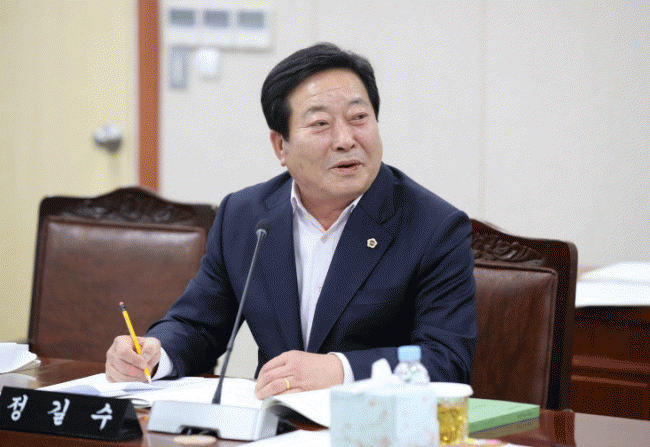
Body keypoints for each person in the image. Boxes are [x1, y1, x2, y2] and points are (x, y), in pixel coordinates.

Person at [106, 43, 476, 399]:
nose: (345, 139)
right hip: (270, 423)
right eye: (320, 123)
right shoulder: (244, 216)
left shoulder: (434, 227)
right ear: (280, 146)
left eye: (358, 118)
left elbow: (446, 360)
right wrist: (155, 354)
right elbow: (198, 325)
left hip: (372, 426)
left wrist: (339, 370)